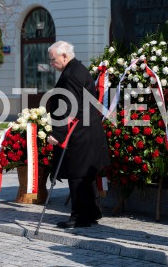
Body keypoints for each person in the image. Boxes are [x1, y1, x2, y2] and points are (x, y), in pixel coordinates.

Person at [46, 41, 110, 228]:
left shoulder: (71, 75)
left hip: (80, 132)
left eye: (53, 59)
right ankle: (91, 212)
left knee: (77, 174)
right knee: (85, 174)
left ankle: (79, 215)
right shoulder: (77, 69)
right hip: (87, 130)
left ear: (64, 56)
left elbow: (68, 108)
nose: (51, 63)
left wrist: (57, 134)